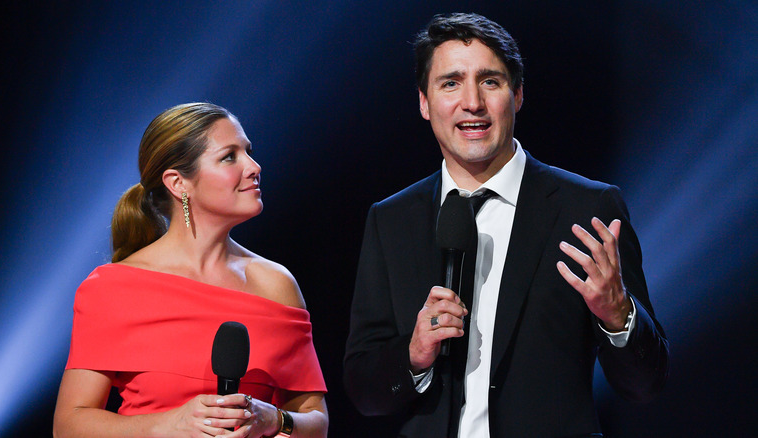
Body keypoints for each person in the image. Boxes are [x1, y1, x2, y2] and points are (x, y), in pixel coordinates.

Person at [343, 13, 668, 438]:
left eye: (490, 82)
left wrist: (617, 314)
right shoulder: (391, 219)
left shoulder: (585, 207)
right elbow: (365, 391)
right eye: (451, 83)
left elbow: (645, 386)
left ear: (517, 95)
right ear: (424, 102)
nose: (472, 102)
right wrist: (413, 355)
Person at [53, 102, 328, 438]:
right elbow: (69, 425)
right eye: (229, 156)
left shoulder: (276, 284)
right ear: (178, 183)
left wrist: (273, 420)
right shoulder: (112, 288)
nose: (254, 166)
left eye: (248, 152)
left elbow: (315, 421)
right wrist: (167, 425)